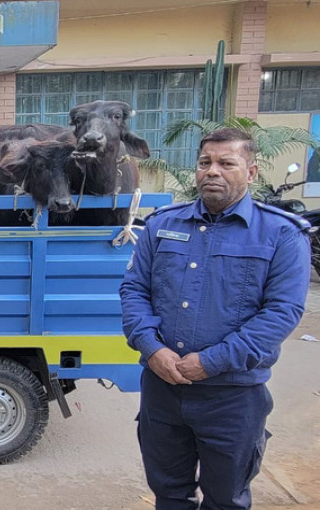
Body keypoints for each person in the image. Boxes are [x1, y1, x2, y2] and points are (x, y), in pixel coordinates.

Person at [119, 127, 312, 510]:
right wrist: (151, 348)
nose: (213, 171)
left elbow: (282, 312)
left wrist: (211, 362)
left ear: (251, 172)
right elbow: (134, 291)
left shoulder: (281, 235)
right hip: (163, 389)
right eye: (205, 162)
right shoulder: (162, 226)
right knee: (169, 494)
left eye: (227, 163)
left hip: (233, 397)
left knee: (226, 499)